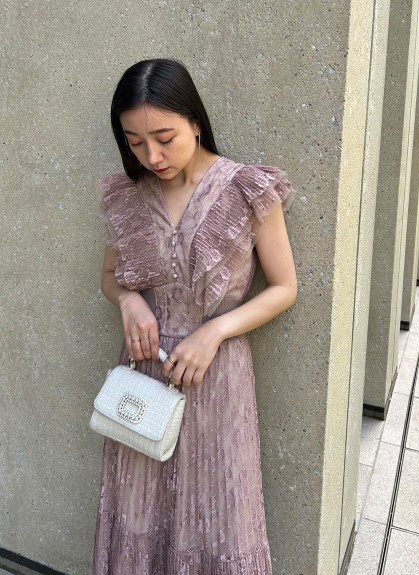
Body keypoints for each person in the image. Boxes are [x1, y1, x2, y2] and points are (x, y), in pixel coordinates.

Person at [93, 58, 297, 575]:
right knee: (140, 511)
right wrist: (129, 300)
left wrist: (216, 330)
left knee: (219, 515)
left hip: (217, 376)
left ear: (196, 122)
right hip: (144, 373)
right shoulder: (128, 195)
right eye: (135, 143)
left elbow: (284, 288)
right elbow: (110, 277)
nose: (152, 156)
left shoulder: (247, 189)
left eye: (165, 138)